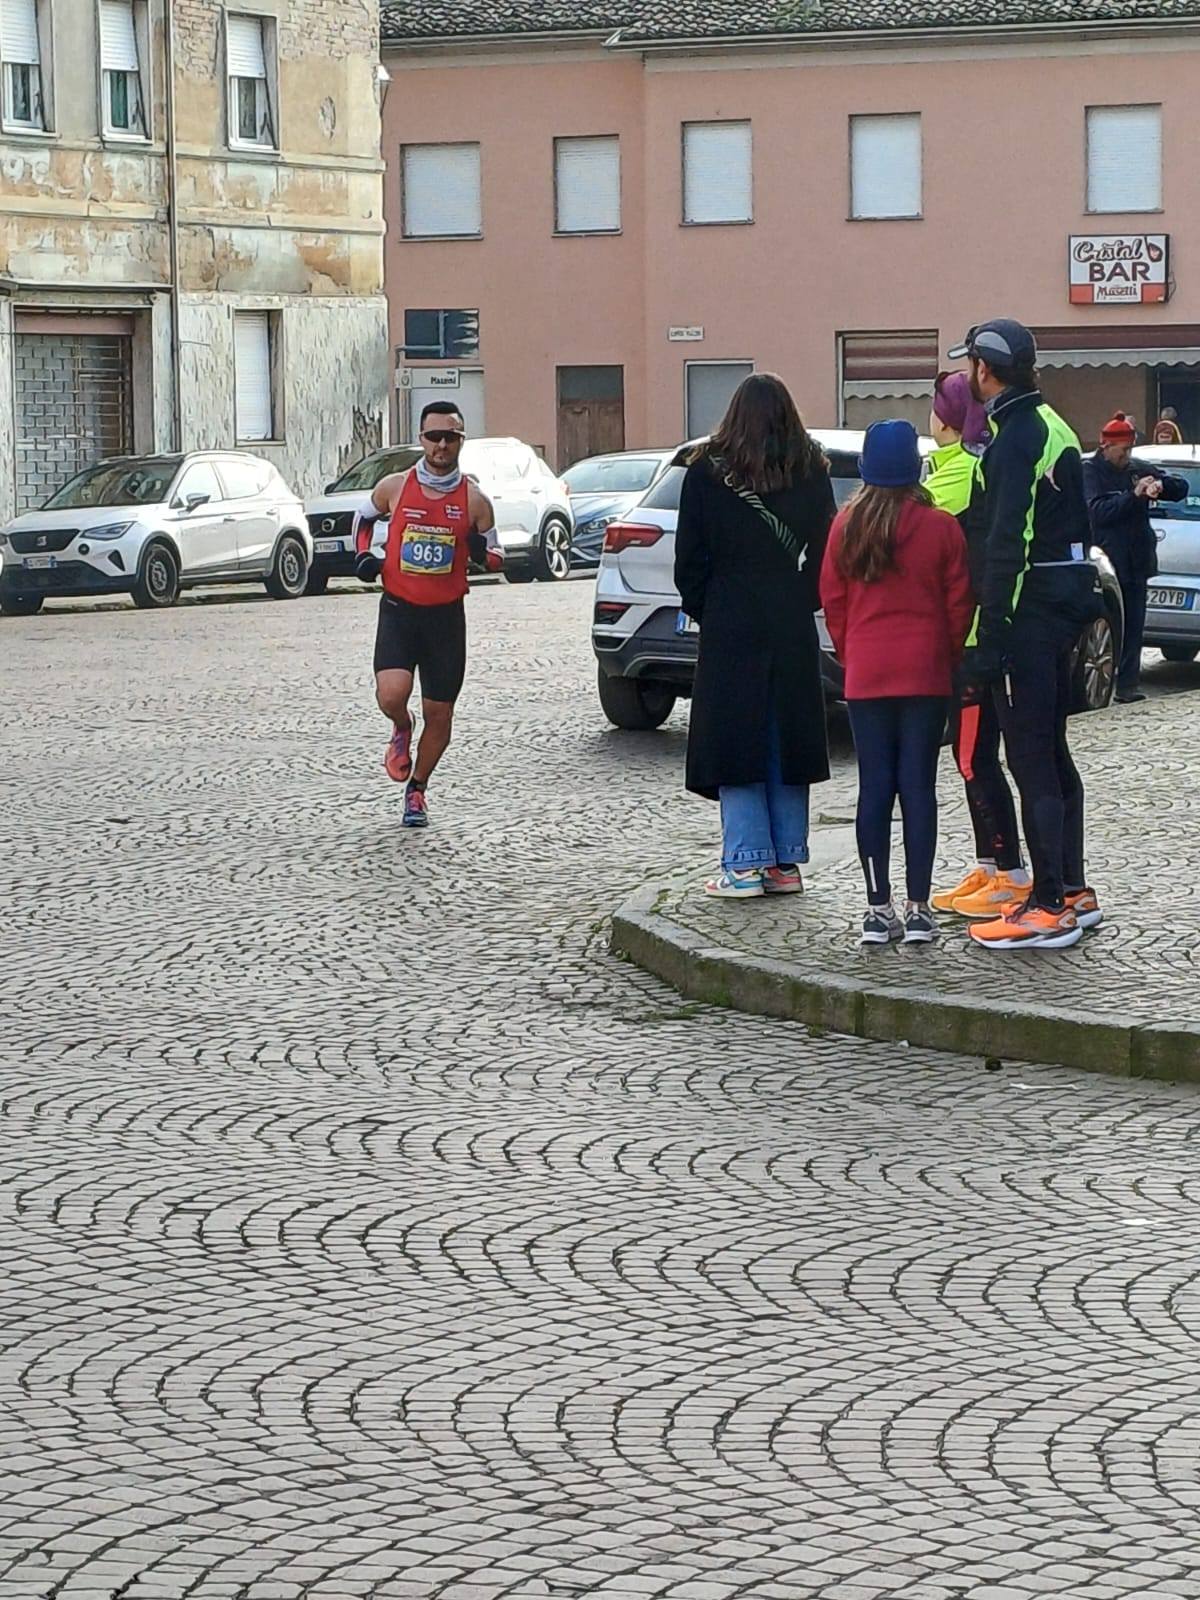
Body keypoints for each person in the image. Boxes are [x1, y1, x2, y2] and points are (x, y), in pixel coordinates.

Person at [950, 319, 1103, 950]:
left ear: (986, 370)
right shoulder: (1049, 422)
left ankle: (1047, 905)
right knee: (1053, 752)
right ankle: (1073, 890)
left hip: (1028, 614)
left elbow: (1006, 543)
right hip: (1062, 605)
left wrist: (991, 634)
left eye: (970, 365)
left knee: (1031, 758)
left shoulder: (1015, 437)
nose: (968, 374)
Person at [674, 373, 833, 898]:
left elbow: (688, 558)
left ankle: (744, 864)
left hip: (730, 615)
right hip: (788, 614)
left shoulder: (705, 472)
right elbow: (826, 550)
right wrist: (802, 596)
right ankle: (785, 863)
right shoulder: (810, 469)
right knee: (786, 733)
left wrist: (709, 606)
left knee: (735, 734)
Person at [820, 421, 974, 945]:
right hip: (925, 672)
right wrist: (945, 655)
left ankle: (876, 907)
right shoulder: (941, 528)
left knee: (874, 789)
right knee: (918, 789)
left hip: (868, 673)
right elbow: (959, 604)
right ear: (916, 468)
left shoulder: (845, 527)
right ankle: (919, 908)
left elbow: (833, 602)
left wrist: (853, 653)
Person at [356, 401, 503, 828]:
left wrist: (483, 555)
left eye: (450, 437)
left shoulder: (475, 501)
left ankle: (417, 789)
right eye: (433, 436)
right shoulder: (395, 486)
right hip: (399, 611)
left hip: (445, 620)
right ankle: (402, 726)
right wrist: (364, 556)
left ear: (461, 441)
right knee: (391, 695)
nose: (441, 445)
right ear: (421, 439)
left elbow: (498, 555)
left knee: (440, 715)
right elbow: (362, 519)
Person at [925, 372, 1032, 919]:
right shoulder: (958, 467)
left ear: (945, 418)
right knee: (974, 755)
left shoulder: (961, 474)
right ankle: (990, 866)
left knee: (973, 757)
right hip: (967, 635)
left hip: (971, 636)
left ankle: (1009, 872)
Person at [1083, 411, 1187, 704]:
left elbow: (1180, 488)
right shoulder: (1090, 472)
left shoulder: (1137, 468)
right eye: (1122, 450)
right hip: (1107, 561)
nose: (1126, 456)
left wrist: (1161, 485)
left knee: (1134, 625)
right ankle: (1104, 678)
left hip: (1137, 560)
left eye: (1130, 449)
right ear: (1106, 446)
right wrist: (1133, 496)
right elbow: (1098, 512)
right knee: (1109, 623)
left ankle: (1127, 685)